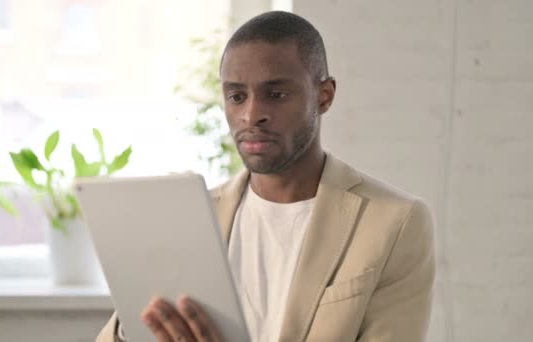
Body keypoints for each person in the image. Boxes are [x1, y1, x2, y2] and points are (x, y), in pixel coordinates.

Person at [97, 10, 435, 342]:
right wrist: (140, 328)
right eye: (237, 96)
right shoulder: (189, 217)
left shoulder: (395, 222)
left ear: (324, 96)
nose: (251, 114)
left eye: (276, 95)